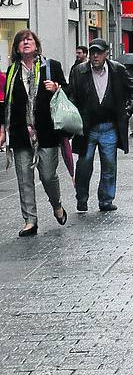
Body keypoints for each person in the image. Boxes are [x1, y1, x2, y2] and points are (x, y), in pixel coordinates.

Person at [0, 30, 69, 235]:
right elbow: (5, 103)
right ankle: (30, 220)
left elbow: (68, 92)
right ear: (17, 48)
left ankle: (56, 205)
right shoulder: (12, 71)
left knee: (48, 175)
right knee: (24, 178)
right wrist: (2, 128)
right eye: (21, 41)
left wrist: (56, 88)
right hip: (21, 132)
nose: (26, 43)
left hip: (46, 132)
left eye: (29, 39)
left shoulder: (51, 67)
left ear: (36, 45)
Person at [68, 38, 133, 213]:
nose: (95, 56)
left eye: (99, 52)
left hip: (109, 126)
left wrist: (127, 111)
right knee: (84, 165)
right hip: (87, 127)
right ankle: (81, 198)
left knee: (109, 165)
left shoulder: (117, 70)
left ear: (107, 53)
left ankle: (106, 200)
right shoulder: (79, 71)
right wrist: (74, 116)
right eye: (92, 52)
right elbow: (72, 96)